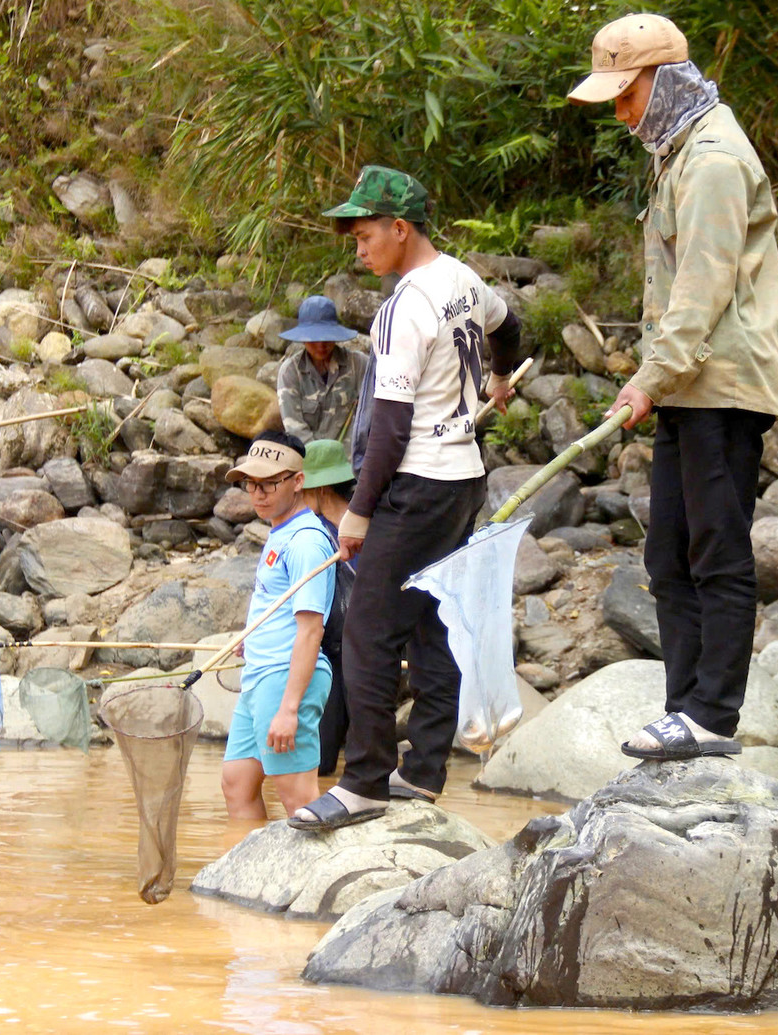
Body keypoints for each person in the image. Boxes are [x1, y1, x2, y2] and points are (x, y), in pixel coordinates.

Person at [568, 13, 778, 761]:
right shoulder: (679, 149)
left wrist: (647, 380)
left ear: (660, 81)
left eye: (624, 98)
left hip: (720, 386)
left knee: (717, 552)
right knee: (666, 556)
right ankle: (682, 708)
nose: (622, 116)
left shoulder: (716, 159)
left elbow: (701, 289)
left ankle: (712, 715)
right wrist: (655, 380)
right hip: (685, 384)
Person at [290, 164, 524, 831]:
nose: (359, 250)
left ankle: (362, 781)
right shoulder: (464, 281)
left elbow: (390, 427)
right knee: (427, 619)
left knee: (366, 628)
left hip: (415, 481)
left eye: (365, 235)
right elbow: (512, 327)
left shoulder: (404, 308)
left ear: (400, 228)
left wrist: (358, 511)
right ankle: (421, 769)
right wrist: (499, 378)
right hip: (462, 479)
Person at [220, 430, 337, 820]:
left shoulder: (305, 542)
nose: (258, 493)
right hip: (259, 673)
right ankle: (247, 875)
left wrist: (289, 709)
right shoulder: (279, 533)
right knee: (237, 782)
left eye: (270, 483)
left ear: (298, 481)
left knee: (298, 798)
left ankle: (318, 878)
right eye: (251, 483)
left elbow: (311, 630)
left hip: (285, 678)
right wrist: (250, 637)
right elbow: (276, 603)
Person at [299, 438, 357, 777]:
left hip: (358, 645)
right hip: (329, 647)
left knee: (361, 742)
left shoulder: (363, 526)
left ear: (320, 490)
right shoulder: (316, 530)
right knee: (321, 763)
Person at [276, 295, 366, 446]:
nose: (321, 345)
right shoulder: (290, 372)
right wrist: (319, 460)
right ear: (303, 338)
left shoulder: (358, 364)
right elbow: (295, 427)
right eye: (313, 339)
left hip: (352, 462)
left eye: (326, 338)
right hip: (310, 460)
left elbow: (372, 415)